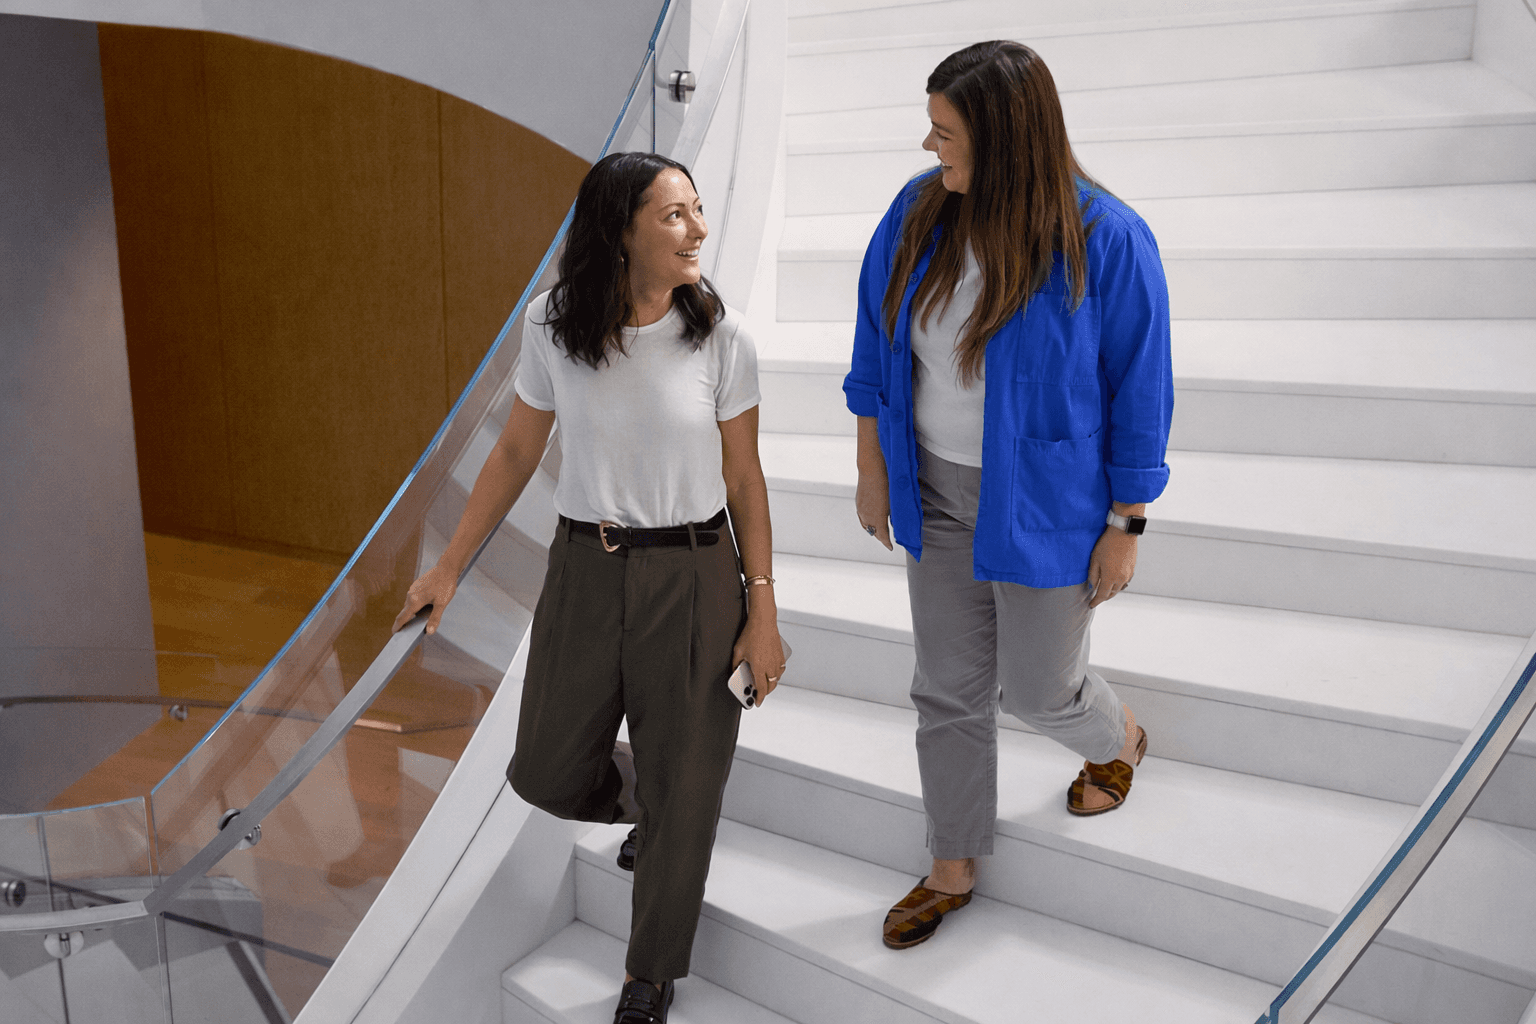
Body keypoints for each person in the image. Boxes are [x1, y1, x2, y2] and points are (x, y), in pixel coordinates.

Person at [394, 151, 783, 1024]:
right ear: (621, 229)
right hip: (585, 569)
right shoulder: (553, 325)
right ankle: (661, 797)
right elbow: (516, 451)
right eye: (675, 215)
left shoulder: (722, 339)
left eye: (697, 211)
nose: (699, 231)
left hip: (693, 573)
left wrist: (763, 611)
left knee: (686, 790)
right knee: (543, 770)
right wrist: (449, 565)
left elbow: (747, 482)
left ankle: (649, 975)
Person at [843, 41, 1173, 950]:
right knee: (945, 689)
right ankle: (952, 862)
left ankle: (1120, 734)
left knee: (1038, 687)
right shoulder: (917, 214)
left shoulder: (1107, 238)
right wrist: (873, 470)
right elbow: (876, 352)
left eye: (945, 131)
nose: (927, 145)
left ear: (1005, 137)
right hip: (935, 493)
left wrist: (1126, 523)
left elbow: (1139, 392)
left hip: (1049, 502)